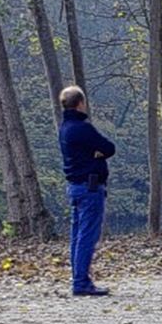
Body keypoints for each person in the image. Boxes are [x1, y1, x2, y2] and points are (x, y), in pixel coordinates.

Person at [58, 86, 115, 296]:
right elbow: (109, 148)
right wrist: (96, 155)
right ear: (80, 103)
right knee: (86, 236)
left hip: (75, 186)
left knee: (77, 235)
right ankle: (81, 282)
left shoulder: (64, 128)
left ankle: (78, 277)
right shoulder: (82, 128)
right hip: (89, 187)